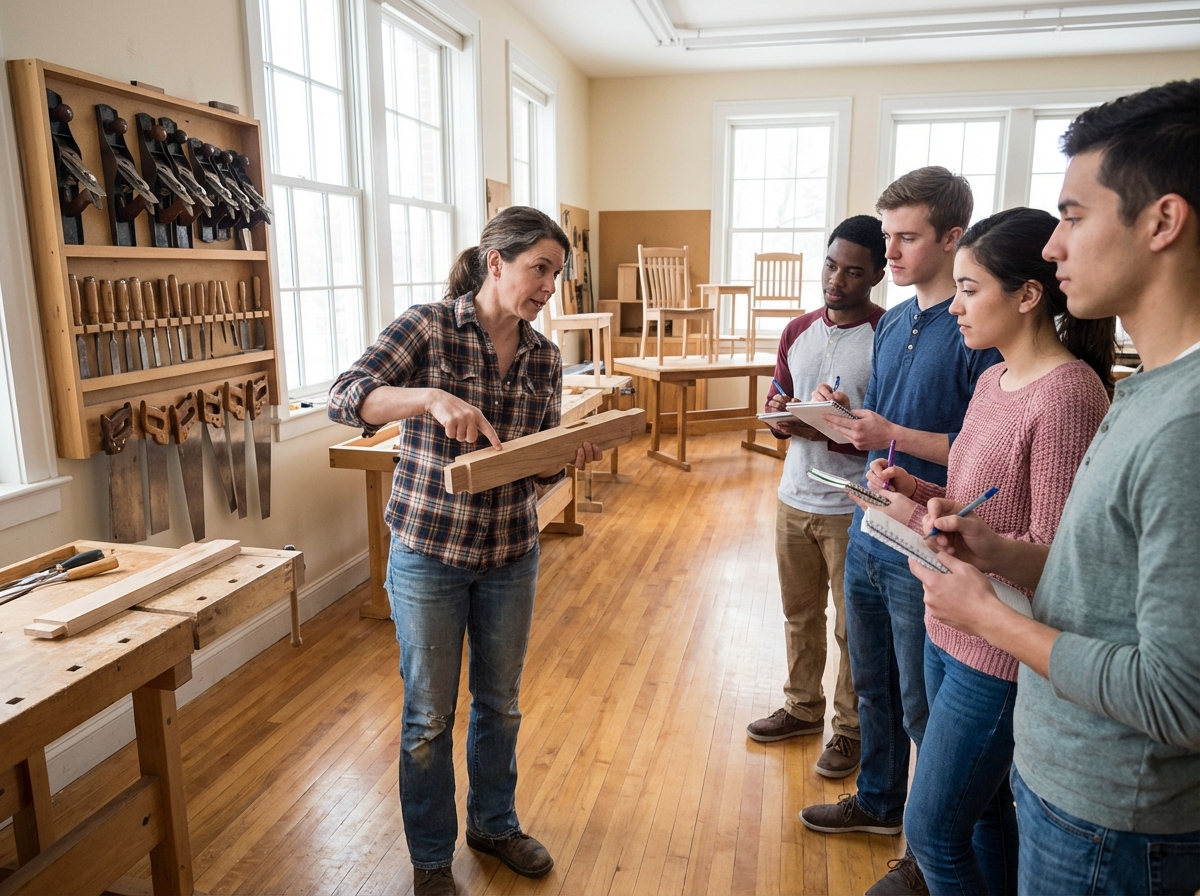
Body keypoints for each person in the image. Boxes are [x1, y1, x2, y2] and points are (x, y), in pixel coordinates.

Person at [911, 80, 1200, 896]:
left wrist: (991, 618)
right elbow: (1101, 575)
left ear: (1162, 222)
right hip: (1068, 780)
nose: (1054, 244)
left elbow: (1179, 698)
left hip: (1111, 813)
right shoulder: (1152, 391)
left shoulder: (1176, 419)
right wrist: (995, 549)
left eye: (1073, 215)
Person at [327, 206, 602, 896]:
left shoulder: (544, 356)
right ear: (496, 262)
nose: (548, 286)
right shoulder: (426, 327)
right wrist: (427, 399)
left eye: (556, 274)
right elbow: (345, 397)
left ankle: (493, 823)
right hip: (429, 554)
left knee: (500, 703)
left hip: (511, 550)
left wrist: (567, 454)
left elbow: (531, 465)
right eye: (539, 268)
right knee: (427, 716)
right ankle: (429, 859)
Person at [860, 207, 1113, 895]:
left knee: (933, 831)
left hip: (999, 647)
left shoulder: (1066, 394)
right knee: (981, 822)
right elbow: (979, 495)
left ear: (1028, 295)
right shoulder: (990, 379)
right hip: (950, 621)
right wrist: (914, 486)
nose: (958, 307)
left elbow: (1060, 559)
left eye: (971, 290)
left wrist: (935, 525)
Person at [798, 167, 1002, 896]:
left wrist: (894, 433)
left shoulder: (979, 328)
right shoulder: (890, 321)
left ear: (953, 238)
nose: (889, 251)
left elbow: (978, 450)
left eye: (906, 237)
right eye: (887, 236)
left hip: (929, 541)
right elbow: (878, 424)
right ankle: (880, 803)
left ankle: (926, 844)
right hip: (871, 526)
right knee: (872, 682)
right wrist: (845, 412)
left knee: (923, 703)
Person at [746, 215, 887, 779]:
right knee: (799, 614)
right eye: (831, 265)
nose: (836, 280)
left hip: (853, 505)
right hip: (794, 496)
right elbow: (780, 395)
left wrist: (834, 425)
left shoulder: (889, 334)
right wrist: (781, 417)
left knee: (853, 627)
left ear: (877, 275)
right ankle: (803, 708)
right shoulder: (797, 330)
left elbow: (887, 433)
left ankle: (849, 732)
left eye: (853, 272)